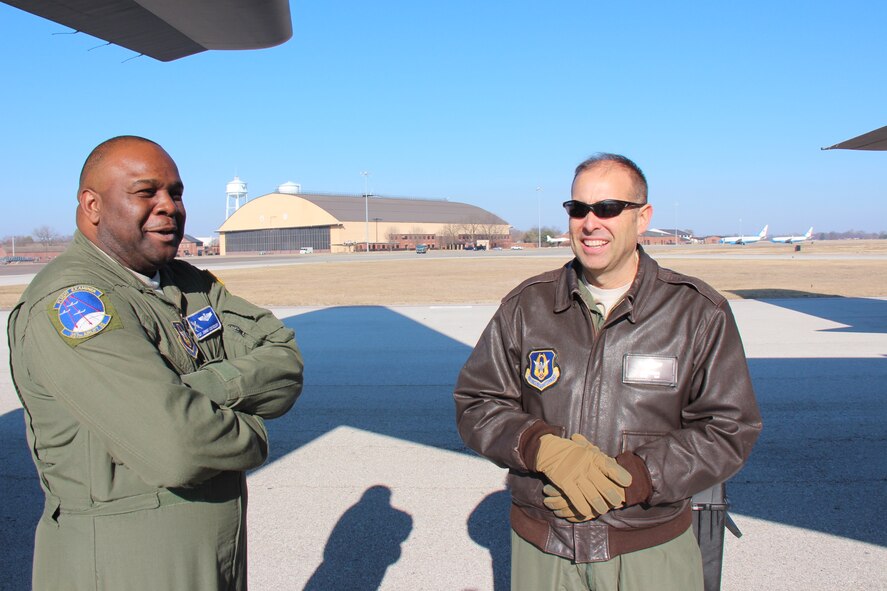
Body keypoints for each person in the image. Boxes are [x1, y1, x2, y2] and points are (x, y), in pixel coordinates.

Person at [7, 136, 304, 590]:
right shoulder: (74, 304)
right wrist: (254, 432)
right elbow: (178, 447)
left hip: (217, 561)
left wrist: (195, 392)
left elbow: (284, 360)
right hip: (125, 566)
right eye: (146, 192)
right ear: (92, 205)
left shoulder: (187, 284)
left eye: (176, 193)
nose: (168, 206)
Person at [454, 153, 762, 591]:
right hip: (545, 546)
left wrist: (635, 479)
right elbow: (477, 403)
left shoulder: (697, 312)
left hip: (649, 549)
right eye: (578, 209)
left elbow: (730, 428)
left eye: (608, 208)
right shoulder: (526, 307)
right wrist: (541, 448)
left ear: (642, 217)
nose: (589, 223)